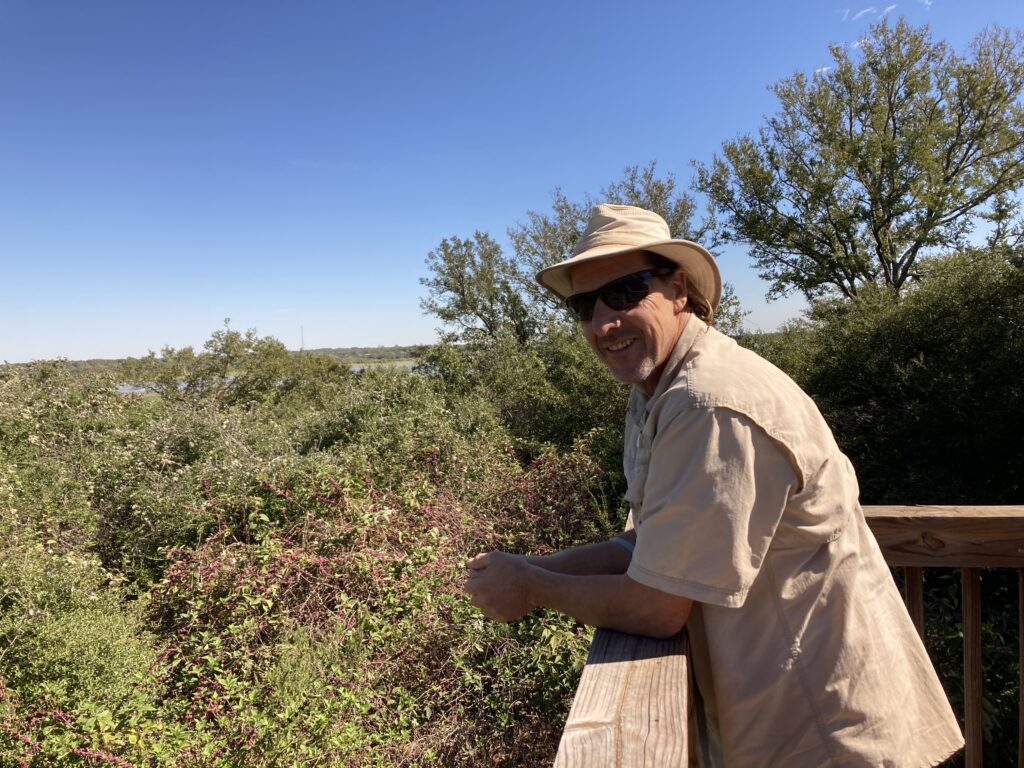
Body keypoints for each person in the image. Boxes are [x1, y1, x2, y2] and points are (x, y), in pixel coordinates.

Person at [464, 204, 964, 766]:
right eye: (585, 304)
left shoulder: (710, 404)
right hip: (786, 715)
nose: (603, 322)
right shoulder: (660, 388)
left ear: (678, 288)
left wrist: (530, 588)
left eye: (625, 292)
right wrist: (533, 566)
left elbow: (656, 607)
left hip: (822, 727)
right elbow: (647, 543)